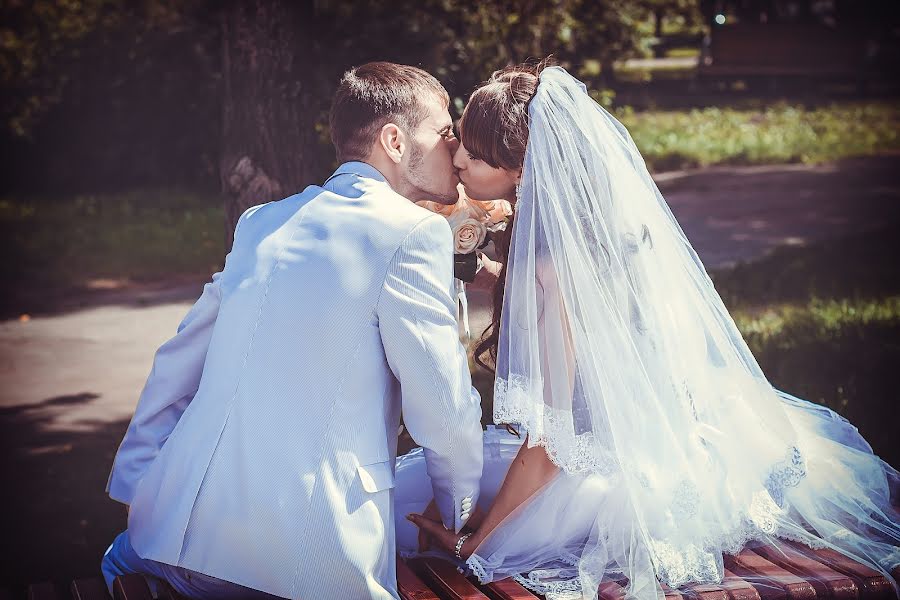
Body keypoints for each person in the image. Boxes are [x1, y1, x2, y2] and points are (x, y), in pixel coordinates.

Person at [400, 62, 900, 600]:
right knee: (436, 488)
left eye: (473, 154)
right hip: (645, 431)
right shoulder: (586, 229)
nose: (457, 159)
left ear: (523, 168)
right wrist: (483, 270)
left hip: (612, 476)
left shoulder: (556, 267)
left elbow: (549, 449)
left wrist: (475, 549)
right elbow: (571, 315)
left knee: (424, 506)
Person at [101, 62, 484, 600]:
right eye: (444, 130)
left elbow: (178, 360)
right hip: (308, 564)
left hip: (177, 543)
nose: (455, 143)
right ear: (394, 141)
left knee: (116, 562)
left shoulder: (262, 221)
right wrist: (460, 514)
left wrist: (140, 487)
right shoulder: (413, 233)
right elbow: (443, 412)